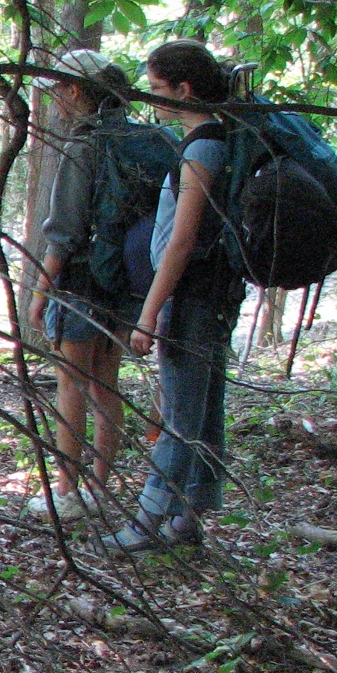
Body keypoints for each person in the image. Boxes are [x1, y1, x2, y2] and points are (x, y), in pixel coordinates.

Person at [98, 40, 247, 555]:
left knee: (181, 411)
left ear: (184, 90)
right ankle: (189, 516)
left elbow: (182, 239)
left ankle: (147, 521)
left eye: (159, 89)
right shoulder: (212, 141)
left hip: (196, 294)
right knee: (202, 406)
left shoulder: (204, 146)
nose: (153, 99)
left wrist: (149, 311)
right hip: (209, 293)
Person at [26, 50, 172, 521]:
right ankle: (99, 486)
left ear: (75, 90)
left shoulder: (84, 144)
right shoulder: (152, 138)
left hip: (84, 279)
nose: (57, 103)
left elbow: (65, 230)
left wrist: (40, 292)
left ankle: (66, 492)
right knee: (106, 383)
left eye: (59, 92)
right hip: (130, 279)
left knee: (71, 382)